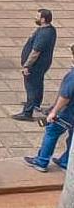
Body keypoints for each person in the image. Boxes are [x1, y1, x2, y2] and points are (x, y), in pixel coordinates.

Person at [25, 43, 74, 173]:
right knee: (72, 137)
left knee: (51, 133)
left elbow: (65, 96)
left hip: (67, 112)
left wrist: (54, 111)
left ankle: (41, 161)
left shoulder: (72, 76)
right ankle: (66, 161)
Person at [14, 9, 57, 121]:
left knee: (31, 87)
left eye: (38, 17)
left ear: (43, 19)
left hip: (36, 65)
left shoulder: (44, 34)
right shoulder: (50, 30)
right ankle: (35, 104)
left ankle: (27, 112)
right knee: (38, 84)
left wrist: (27, 66)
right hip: (42, 64)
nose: (35, 18)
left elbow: (35, 52)